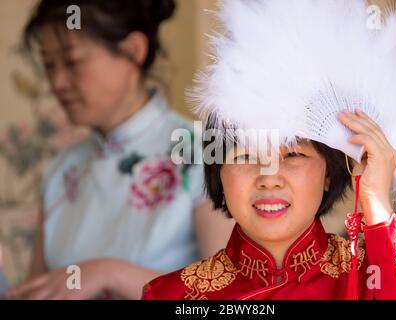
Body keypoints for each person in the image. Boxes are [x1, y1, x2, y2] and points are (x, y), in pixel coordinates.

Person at [142, 0, 396, 300]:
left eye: (293, 155)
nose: (269, 178)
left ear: (328, 173)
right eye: (245, 156)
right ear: (218, 171)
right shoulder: (173, 295)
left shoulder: (372, 282)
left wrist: (376, 200)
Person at [6, 0, 234, 300]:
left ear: (133, 50)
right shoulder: (62, 172)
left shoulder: (205, 152)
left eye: (72, 62)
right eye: (49, 66)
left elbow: (229, 296)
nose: (57, 83)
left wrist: (109, 273)